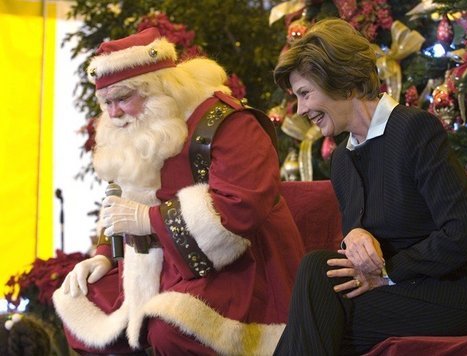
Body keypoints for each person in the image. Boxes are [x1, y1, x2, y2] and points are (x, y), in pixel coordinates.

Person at [52, 27, 304, 355]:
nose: (113, 114)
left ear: (159, 88)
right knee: (82, 305)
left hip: (237, 268)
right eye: (107, 102)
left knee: (171, 330)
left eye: (123, 98)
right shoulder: (138, 129)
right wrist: (103, 256)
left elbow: (241, 208)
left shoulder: (226, 123)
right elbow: (122, 200)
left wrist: (150, 220)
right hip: (154, 267)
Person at [272, 18, 467, 355]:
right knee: (316, 271)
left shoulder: (414, 130)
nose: (302, 109)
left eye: (305, 94)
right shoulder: (341, 160)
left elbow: (463, 230)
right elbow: (363, 240)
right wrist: (354, 236)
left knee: (321, 321)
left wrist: (388, 273)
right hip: (400, 289)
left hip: (456, 291)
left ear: (344, 83)